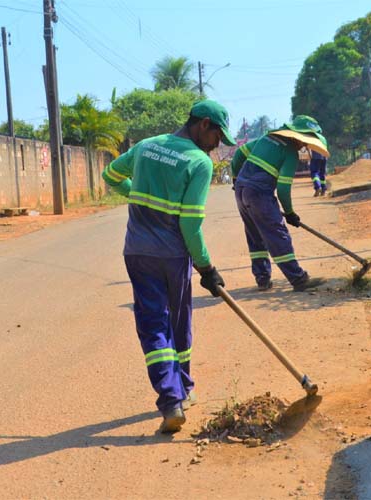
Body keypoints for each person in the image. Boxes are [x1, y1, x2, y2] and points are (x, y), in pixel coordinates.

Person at [101, 99, 235, 434]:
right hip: (174, 256)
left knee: (152, 324)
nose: (218, 144)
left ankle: (173, 396)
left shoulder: (145, 147)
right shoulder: (198, 162)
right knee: (178, 320)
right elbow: (190, 225)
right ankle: (183, 390)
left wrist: (137, 195)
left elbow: (110, 175)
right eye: (218, 136)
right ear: (204, 125)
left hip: (138, 253)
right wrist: (206, 268)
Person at [230, 115, 328, 292]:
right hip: (259, 194)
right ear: (297, 136)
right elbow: (283, 189)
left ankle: (262, 279)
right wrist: (289, 213)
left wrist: (237, 180)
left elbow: (238, 155)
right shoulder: (290, 153)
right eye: (304, 142)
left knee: (254, 235)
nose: (303, 146)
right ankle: (298, 279)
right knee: (277, 234)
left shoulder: (265, 138)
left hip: (241, 191)